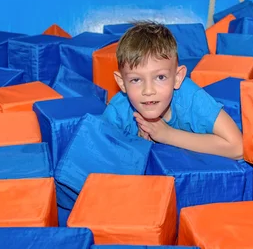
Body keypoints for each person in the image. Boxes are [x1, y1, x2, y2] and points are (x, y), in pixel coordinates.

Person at [102, 21, 243, 160]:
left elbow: (238, 148)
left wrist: (168, 135)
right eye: (136, 80)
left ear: (177, 78)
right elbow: (98, 160)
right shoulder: (118, 112)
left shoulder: (191, 98)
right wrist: (137, 144)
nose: (148, 90)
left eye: (160, 77)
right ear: (122, 82)